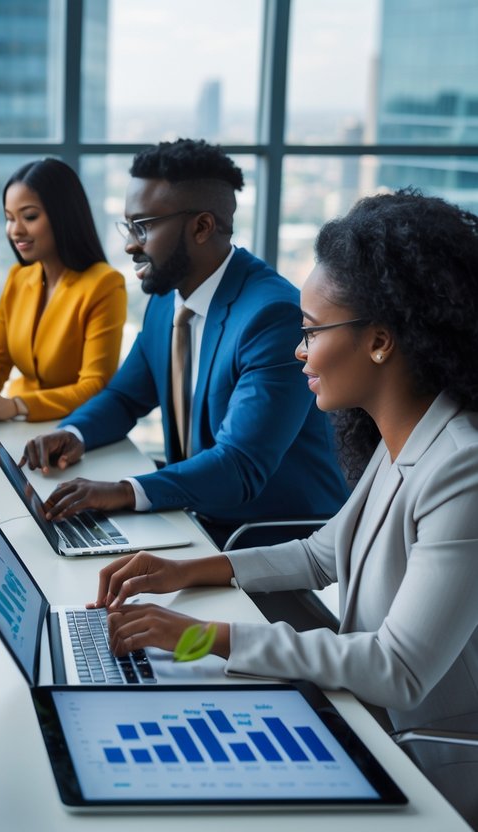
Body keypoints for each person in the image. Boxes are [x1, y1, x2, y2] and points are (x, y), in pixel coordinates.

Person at [92, 189, 478, 825]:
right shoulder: (406, 434)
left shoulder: (459, 463)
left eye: (311, 332)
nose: (299, 351)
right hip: (364, 717)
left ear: (380, 341)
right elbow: (323, 553)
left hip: (425, 760)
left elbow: (396, 670)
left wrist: (194, 636)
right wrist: (183, 570)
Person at [22, 139, 348, 544]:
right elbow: (127, 397)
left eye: (143, 226)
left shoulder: (272, 317)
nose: (129, 245)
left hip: (267, 534)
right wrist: (74, 434)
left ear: (201, 227)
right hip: (197, 514)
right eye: (128, 226)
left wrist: (123, 491)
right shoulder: (169, 298)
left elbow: (239, 466)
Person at [0, 158, 126, 423]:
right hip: (17, 426)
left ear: (62, 215)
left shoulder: (105, 284)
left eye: (29, 217)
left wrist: (17, 405)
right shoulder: (19, 277)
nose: (15, 231)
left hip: (71, 427)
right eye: (10, 219)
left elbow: (95, 386)